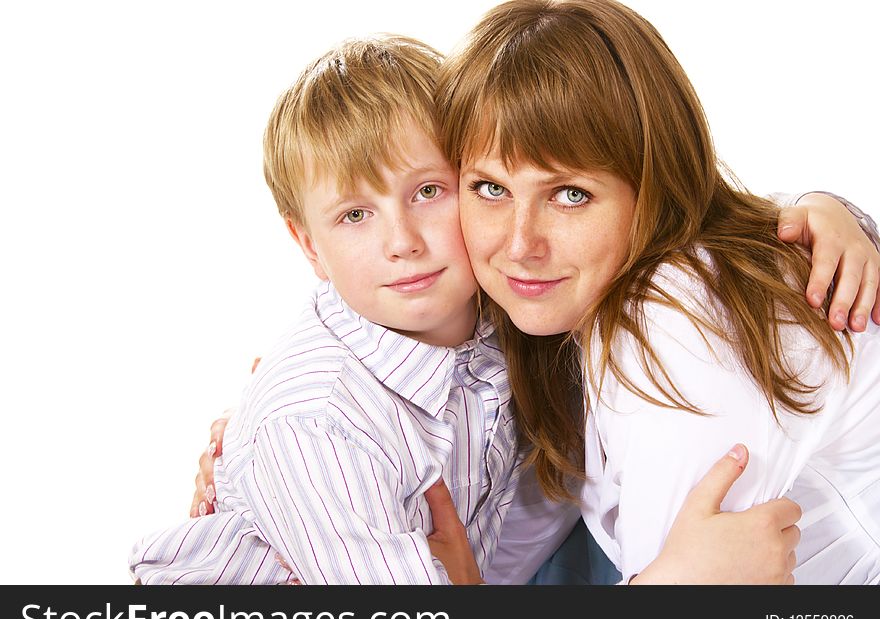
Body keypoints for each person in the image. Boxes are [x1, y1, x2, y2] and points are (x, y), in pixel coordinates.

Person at [184, 27, 880, 586]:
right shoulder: (343, 403)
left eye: (430, 192)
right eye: (490, 188)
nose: (520, 245)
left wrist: (824, 212)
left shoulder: (650, 320)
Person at [424, 0, 880, 584]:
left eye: (570, 195)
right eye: (490, 187)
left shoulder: (676, 316)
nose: (520, 244)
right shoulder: (554, 304)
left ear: (655, 184)